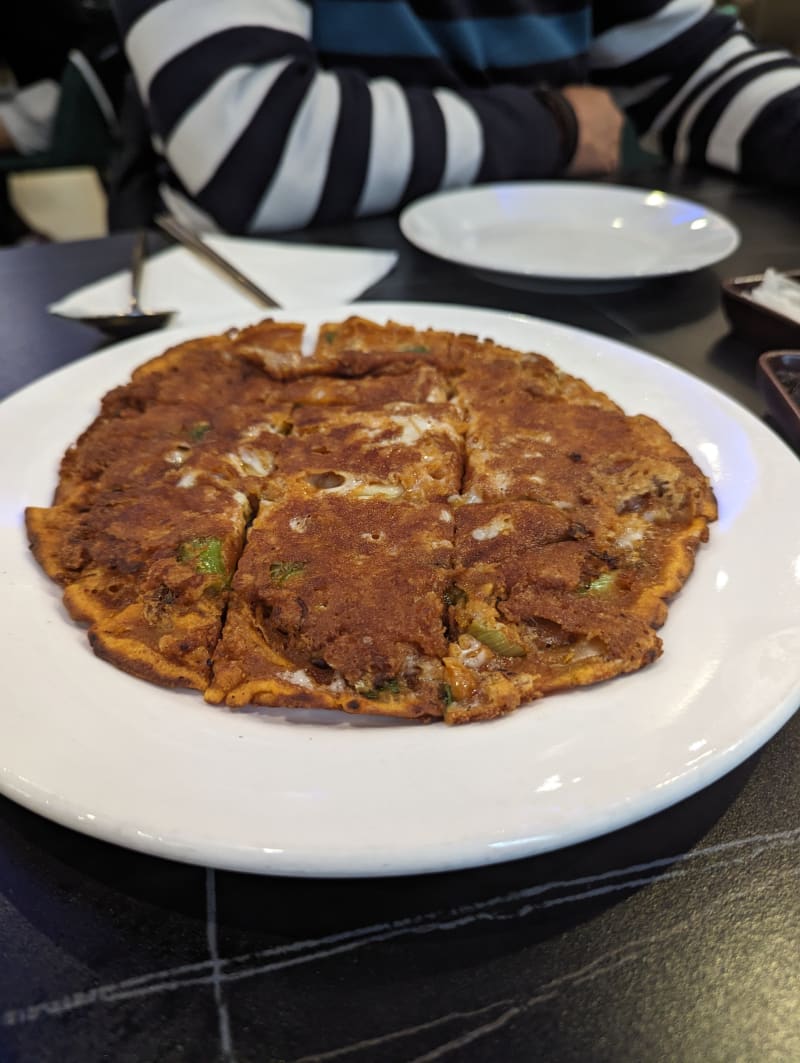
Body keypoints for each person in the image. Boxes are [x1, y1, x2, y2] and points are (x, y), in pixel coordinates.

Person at [110, 0, 800, 234]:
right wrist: (556, 127)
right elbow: (256, 149)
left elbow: (697, 70)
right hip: (258, 302)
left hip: (544, 285)